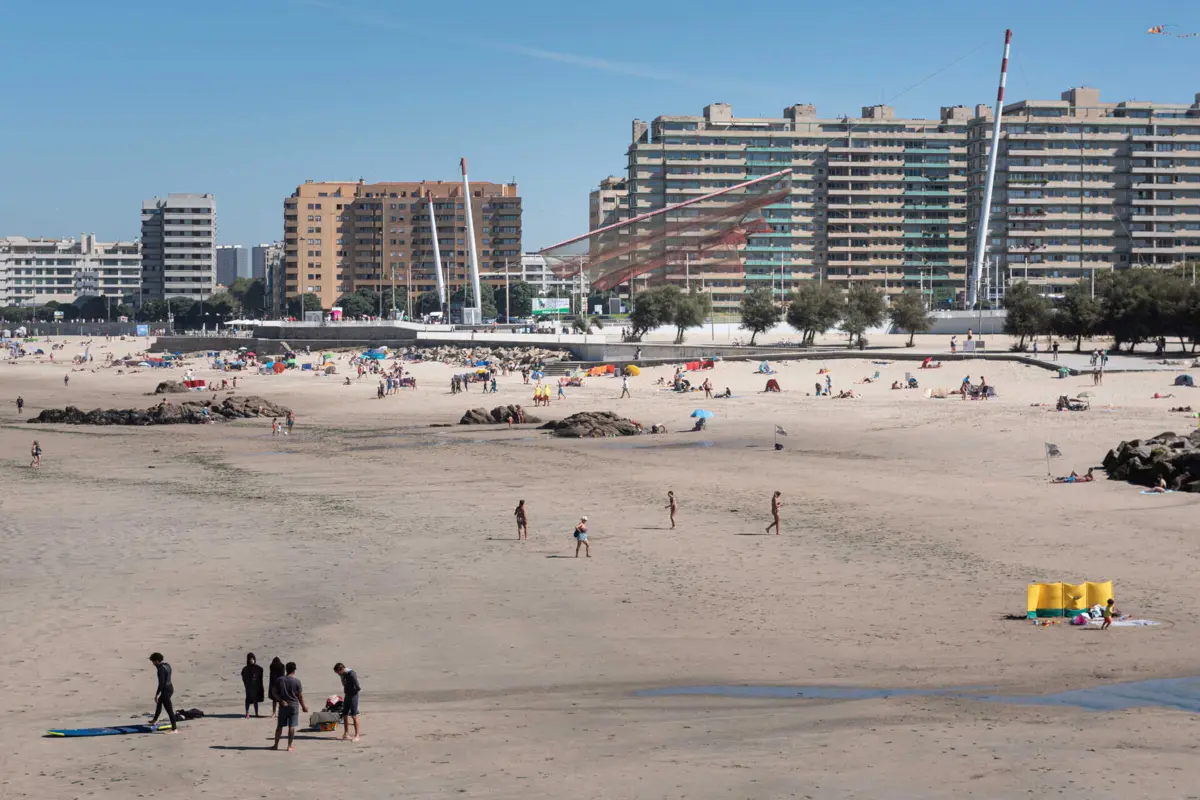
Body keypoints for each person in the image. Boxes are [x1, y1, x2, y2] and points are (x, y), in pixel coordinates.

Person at [272, 661, 307, 751]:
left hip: (283, 705)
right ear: (294, 670)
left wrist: (280, 700)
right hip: (293, 705)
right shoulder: (297, 681)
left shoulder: (280, 680)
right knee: (291, 726)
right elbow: (300, 695)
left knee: (279, 726)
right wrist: (303, 706)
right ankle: (289, 746)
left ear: (286, 670)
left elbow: (274, 692)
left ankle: (276, 745)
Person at [147, 653, 177, 733]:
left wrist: (156, 694)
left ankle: (174, 729)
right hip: (170, 687)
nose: (153, 664)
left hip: (166, 690)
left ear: (156, 661)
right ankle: (154, 720)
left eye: (153, 662)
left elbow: (161, 683)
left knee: (169, 710)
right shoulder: (167, 665)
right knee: (160, 702)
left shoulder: (161, 669)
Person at [333, 663, 361, 742]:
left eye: (338, 673)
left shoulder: (351, 673)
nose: (338, 674)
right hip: (347, 695)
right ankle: (346, 734)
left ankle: (357, 735)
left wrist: (353, 692)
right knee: (345, 714)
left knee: (354, 716)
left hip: (353, 696)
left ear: (341, 669)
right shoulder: (343, 674)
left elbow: (357, 686)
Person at [242, 653, 265, 718]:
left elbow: (260, 677)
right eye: (250, 659)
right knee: (248, 700)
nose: (252, 660)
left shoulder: (258, 668)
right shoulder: (245, 669)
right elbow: (244, 677)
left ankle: (256, 713)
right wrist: (247, 684)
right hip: (249, 687)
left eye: (253, 659)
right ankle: (247, 713)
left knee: (255, 700)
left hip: (256, 687)